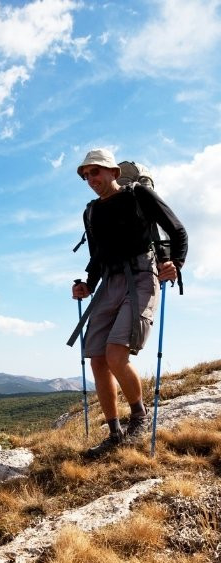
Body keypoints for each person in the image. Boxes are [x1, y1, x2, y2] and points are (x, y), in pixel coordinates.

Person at [71, 148, 187, 459]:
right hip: (109, 281)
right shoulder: (91, 212)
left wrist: (175, 262)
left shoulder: (139, 195)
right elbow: (96, 257)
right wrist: (86, 285)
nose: (90, 179)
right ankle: (114, 433)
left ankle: (139, 417)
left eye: (95, 172)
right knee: (97, 359)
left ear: (113, 172)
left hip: (140, 276)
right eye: (86, 175)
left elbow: (177, 229)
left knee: (115, 354)